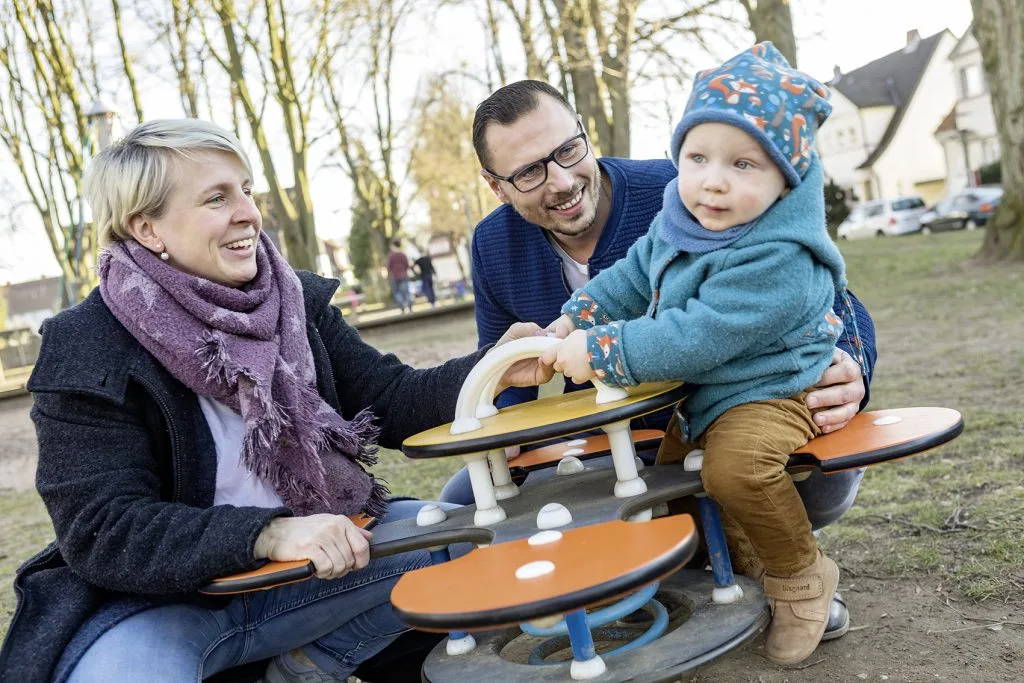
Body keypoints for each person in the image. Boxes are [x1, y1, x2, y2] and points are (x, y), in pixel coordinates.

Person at [0, 119, 551, 683]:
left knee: (475, 543)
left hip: (316, 573)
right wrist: (267, 532)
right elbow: (105, 528)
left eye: (246, 190)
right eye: (217, 198)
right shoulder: (87, 344)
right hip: (161, 607)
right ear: (147, 229)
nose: (248, 213)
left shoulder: (294, 301)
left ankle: (307, 668)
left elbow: (388, 398)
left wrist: (493, 367)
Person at [447, 78, 880, 638]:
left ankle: (786, 568)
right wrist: (505, 409)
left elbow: (822, 291)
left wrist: (852, 361)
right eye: (529, 173)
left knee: (760, 470)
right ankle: (658, 568)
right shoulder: (493, 245)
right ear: (496, 186)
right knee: (462, 508)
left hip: (735, 407)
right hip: (612, 446)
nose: (562, 181)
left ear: (584, 131)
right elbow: (509, 382)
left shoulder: (682, 189)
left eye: (568, 150)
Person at [542, 43, 858, 665]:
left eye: (744, 164)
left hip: (776, 388)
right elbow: (635, 274)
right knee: (671, 486)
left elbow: (698, 335)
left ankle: (801, 577)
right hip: (712, 396)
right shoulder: (682, 218)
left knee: (736, 471)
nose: (713, 179)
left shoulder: (780, 254)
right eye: (698, 157)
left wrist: (603, 350)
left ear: (786, 177)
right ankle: (745, 568)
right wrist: (574, 318)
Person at [386, 240, 412, 312]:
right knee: (406, 292)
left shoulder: (391, 256)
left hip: (395, 276)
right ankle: (410, 306)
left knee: (397, 292)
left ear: (393, 246)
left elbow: (389, 266)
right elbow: (407, 265)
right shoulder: (403, 255)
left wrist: (388, 275)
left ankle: (402, 305)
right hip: (404, 275)